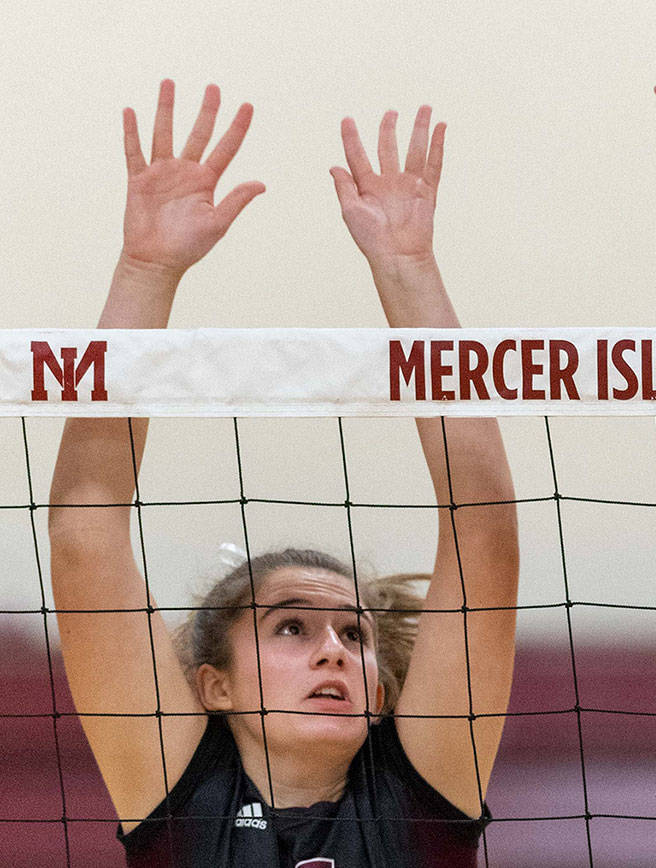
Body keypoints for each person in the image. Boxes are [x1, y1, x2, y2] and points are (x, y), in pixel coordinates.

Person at [48, 81, 520, 866]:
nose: (334, 651)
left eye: (353, 634)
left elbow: (486, 529)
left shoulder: (421, 792)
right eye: (292, 627)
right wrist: (144, 269)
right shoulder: (179, 794)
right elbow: (81, 533)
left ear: (380, 693)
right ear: (214, 688)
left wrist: (408, 269)